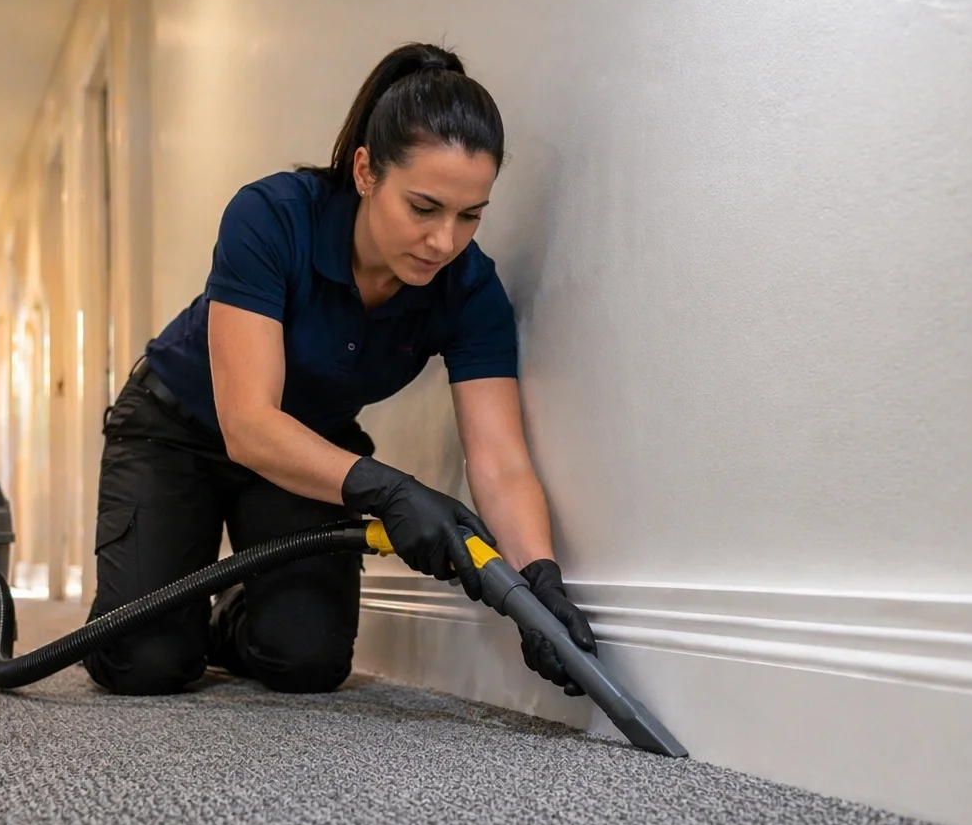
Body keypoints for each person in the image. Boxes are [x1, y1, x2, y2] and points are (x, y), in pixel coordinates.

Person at [83, 41, 598, 697]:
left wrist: (537, 582)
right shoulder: (271, 218)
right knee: (144, 663)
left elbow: (499, 458)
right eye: (423, 207)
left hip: (305, 451)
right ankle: (157, 616)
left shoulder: (470, 291)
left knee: (305, 662)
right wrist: (392, 490)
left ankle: (222, 613)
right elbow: (247, 424)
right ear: (365, 172)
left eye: (470, 216)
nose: (445, 241)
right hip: (175, 430)